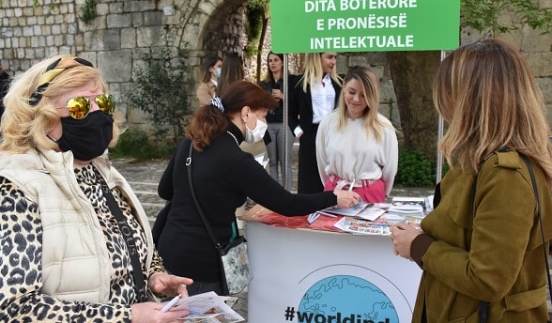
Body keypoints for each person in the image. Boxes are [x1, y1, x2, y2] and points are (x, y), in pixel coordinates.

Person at [0, 55, 193, 322]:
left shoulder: (102, 171)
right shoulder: (17, 187)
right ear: (42, 117)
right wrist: (125, 317)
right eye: (79, 106)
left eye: (103, 102)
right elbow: (12, 309)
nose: (97, 114)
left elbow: (128, 248)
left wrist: (153, 276)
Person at [390, 39, 552, 322]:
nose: (442, 103)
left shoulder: (505, 175)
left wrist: (418, 245)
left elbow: (488, 278)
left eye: (448, 93)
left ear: (471, 99)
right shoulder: (489, 161)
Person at [156, 80, 360, 296]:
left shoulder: (189, 143)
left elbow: (164, 190)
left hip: (169, 251)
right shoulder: (237, 160)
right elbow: (287, 204)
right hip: (203, 264)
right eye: (262, 115)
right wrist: (333, 197)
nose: (263, 122)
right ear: (245, 113)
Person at [316, 65, 398, 203]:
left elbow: (389, 171)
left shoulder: (383, 127)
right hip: (336, 193)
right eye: (352, 92)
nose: (356, 99)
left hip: (370, 195)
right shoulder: (328, 123)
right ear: (344, 87)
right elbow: (322, 164)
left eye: (363, 95)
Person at [288, 52, 342, 193]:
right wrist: (300, 133)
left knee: (333, 177)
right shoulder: (299, 83)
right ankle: (308, 212)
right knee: (309, 178)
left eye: (335, 57)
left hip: (333, 134)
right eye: (329, 57)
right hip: (310, 133)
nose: (333, 61)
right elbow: (290, 114)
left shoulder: (338, 83)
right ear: (317, 57)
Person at [259, 51, 295, 190]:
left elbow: (297, 105)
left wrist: (283, 96)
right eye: (270, 61)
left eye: (275, 60)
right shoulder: (264, 84)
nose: (272, 63)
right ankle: (274, 194)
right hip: (268, 125)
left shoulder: (290, 81)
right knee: (272, 161)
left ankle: (287, 194)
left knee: (285, 161)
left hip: (285, 124)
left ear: (282, 62)